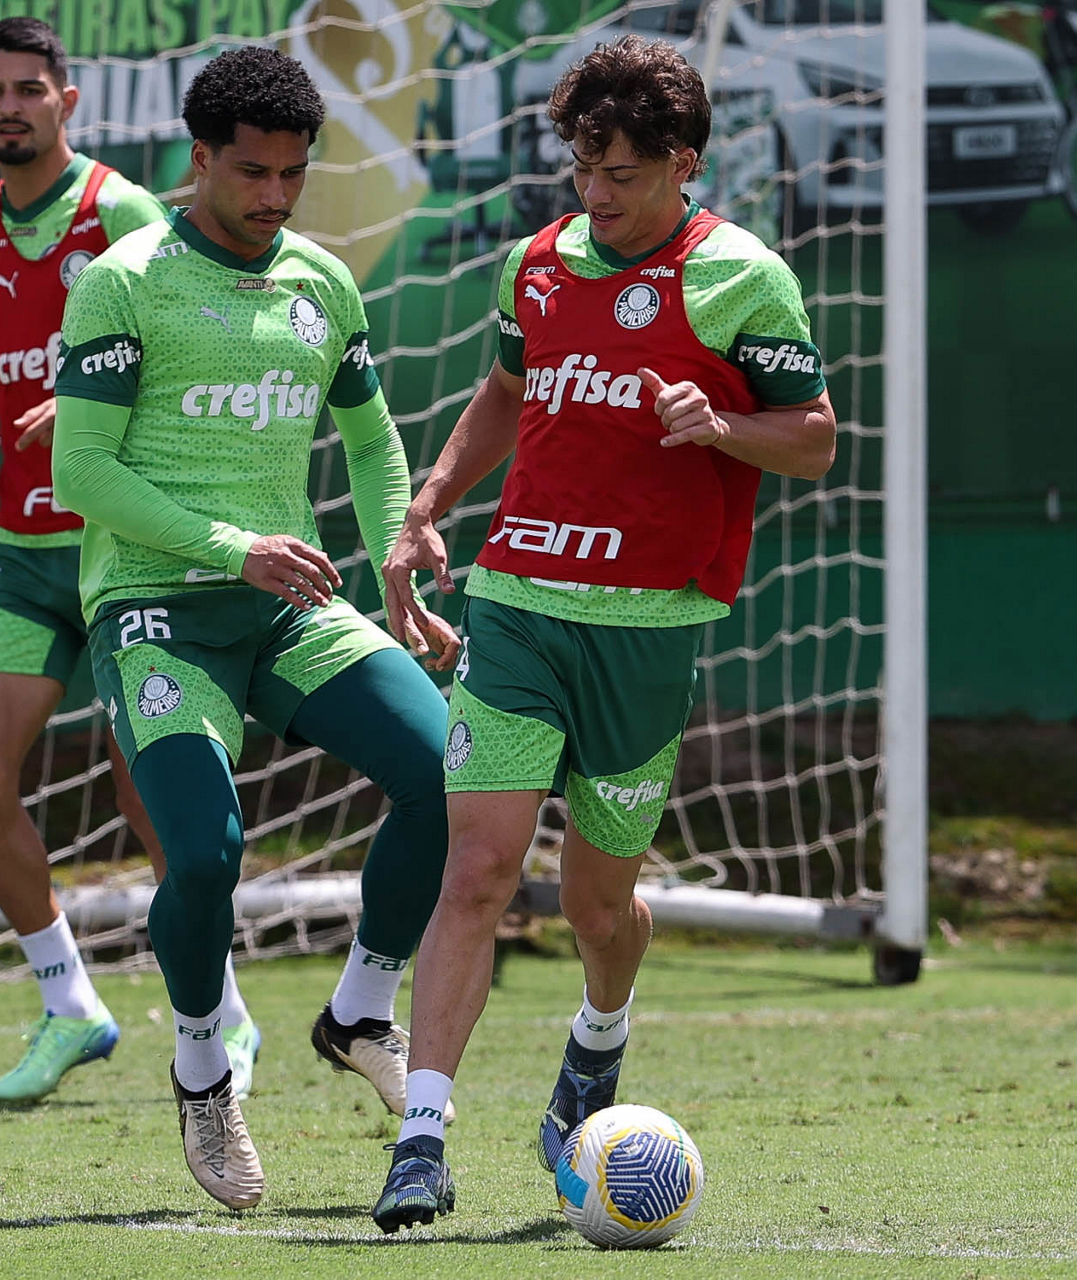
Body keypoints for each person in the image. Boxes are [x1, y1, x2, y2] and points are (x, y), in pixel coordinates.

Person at [371, 34, 837, 1232]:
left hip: (647, 629)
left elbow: (813, 437)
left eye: (619, 173)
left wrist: (719, 422)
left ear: (682, 163)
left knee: (596, 906)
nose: (594, 193)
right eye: (581, 168)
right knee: (476, 869)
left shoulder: (740, 277)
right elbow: (505, 388)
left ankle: (597, 1037)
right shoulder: (537, 263)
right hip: (517, 603)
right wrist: (429, 502)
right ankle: (420, 1137)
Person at [51, 46, 460, 1210]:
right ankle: (201, 1068)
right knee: (205, 854)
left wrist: (396, 559)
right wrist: (234, 546)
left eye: (292, 173)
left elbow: (370, 440)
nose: (274, 194)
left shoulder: (322, 282)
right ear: (199, 158)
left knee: (446, 769)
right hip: (156, 607)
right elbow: (83, 471)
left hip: (289, 605)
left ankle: (360, 1009)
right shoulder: (124, 281)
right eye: (251, 172)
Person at [0, 17, 260, 1104]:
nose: (9, 106)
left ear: (67, 99)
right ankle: (70, 1003)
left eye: (29, 88)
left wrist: (95, 398)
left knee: (153, 801)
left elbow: (189, 333)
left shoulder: (123, 212)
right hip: (26, 547)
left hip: (127, 550)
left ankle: (225, 1013)